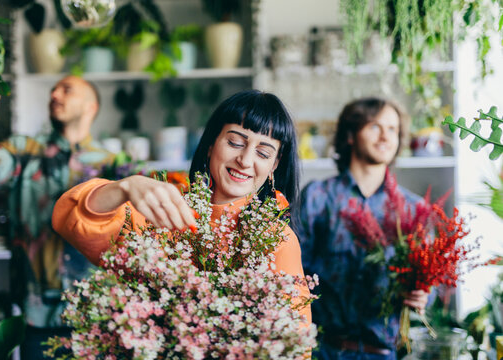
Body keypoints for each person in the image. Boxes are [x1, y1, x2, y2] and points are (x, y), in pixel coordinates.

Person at [52, 89, 311, 326]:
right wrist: (124, 188)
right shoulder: (165, 212)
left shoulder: (275, 240)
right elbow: (72, 221)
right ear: (211, 145)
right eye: (235, 142)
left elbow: (293, 344)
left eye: (263, 153)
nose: (245, 160)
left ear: (274, 167)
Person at [0, 76, 114, 357]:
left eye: (66, 89)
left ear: (91, 106)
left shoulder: (115, 164)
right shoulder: (25, 151)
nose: (55, 93)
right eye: (53, 89)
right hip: (38, 318)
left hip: (99, 317)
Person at [298, 97, 429, 359]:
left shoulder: (413, 209)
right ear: (350, 135)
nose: (385, 137)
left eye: (393, 129)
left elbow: (426, 284)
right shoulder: (317, 197)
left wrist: (423, 295)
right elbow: (292, 276)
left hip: (385, 352)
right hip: (323, 350)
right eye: (374, 127)